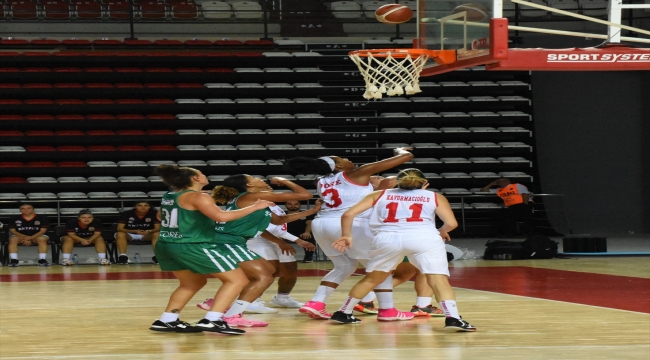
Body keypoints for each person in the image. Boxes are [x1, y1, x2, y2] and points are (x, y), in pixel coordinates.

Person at [329, 168, 477, 331]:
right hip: (424, 238)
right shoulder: (435, 196)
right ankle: (453, 318)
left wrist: (346, 235)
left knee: (372, 279)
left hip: (387, 238)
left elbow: (348, 215)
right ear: (425, 183)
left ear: (397, 182)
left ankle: (343, 312)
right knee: (437, 279)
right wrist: (442, 231)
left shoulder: (379, 194)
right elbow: (452, 224)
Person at [284, 148, 415, 321]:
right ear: (339, 165)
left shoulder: (320, 180)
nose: (347, 159)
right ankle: (387, 310)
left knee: (343, 266)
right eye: (343, 158)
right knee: (380, 267)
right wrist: (399, 150)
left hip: (322, 224)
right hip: (348, 223)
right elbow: (407, 157)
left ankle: (316, 303)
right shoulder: (356, 173)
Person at [149, 164, 274, 335]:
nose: (203, 174)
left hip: (166, 244)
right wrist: (254, 207)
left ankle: (167, 320)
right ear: (196, 178)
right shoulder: (198, 197)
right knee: (237, 280)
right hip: (192, 244)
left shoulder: (170, 195)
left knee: (192, 282)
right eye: (201, 173)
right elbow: (222, 217)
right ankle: (212, 320)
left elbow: (159, 215)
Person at [200, 175, 321, 327]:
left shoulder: (254, 200)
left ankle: (225, 305)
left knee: (268, 270)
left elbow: (278, 221)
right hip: (227, 241)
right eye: (253, 177)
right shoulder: (251, 196)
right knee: (263, 277)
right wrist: (284, 181)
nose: (259, 178)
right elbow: (305, 195)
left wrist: (313, 210)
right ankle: (231, 314)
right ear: (249, 185)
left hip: (235, 241)